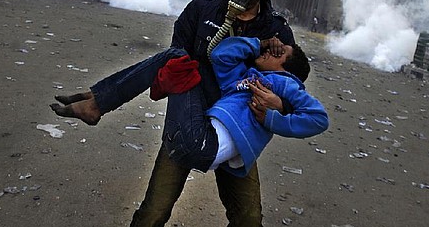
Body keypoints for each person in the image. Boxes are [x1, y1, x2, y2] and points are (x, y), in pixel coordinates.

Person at [57, 0, 301, 227]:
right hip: (190, 119)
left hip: (235, 130)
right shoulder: (203, 9)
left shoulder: (276, 30)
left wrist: (278, 99)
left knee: (249, 221)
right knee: (155, 207)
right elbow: (175, 60)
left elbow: (296, 82)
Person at [51, 35, 328, 176]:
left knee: (176, 57)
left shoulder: (284, 83)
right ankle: (97, 101)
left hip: (200, 145)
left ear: (285, 68)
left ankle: (98, 102)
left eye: (277, 53)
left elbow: (319, 118)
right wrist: (259, 43)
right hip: (192, 137)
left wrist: (273, 118)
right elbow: (220, 54)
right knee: (180, 61)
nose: (269, 53)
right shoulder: (246, 78)